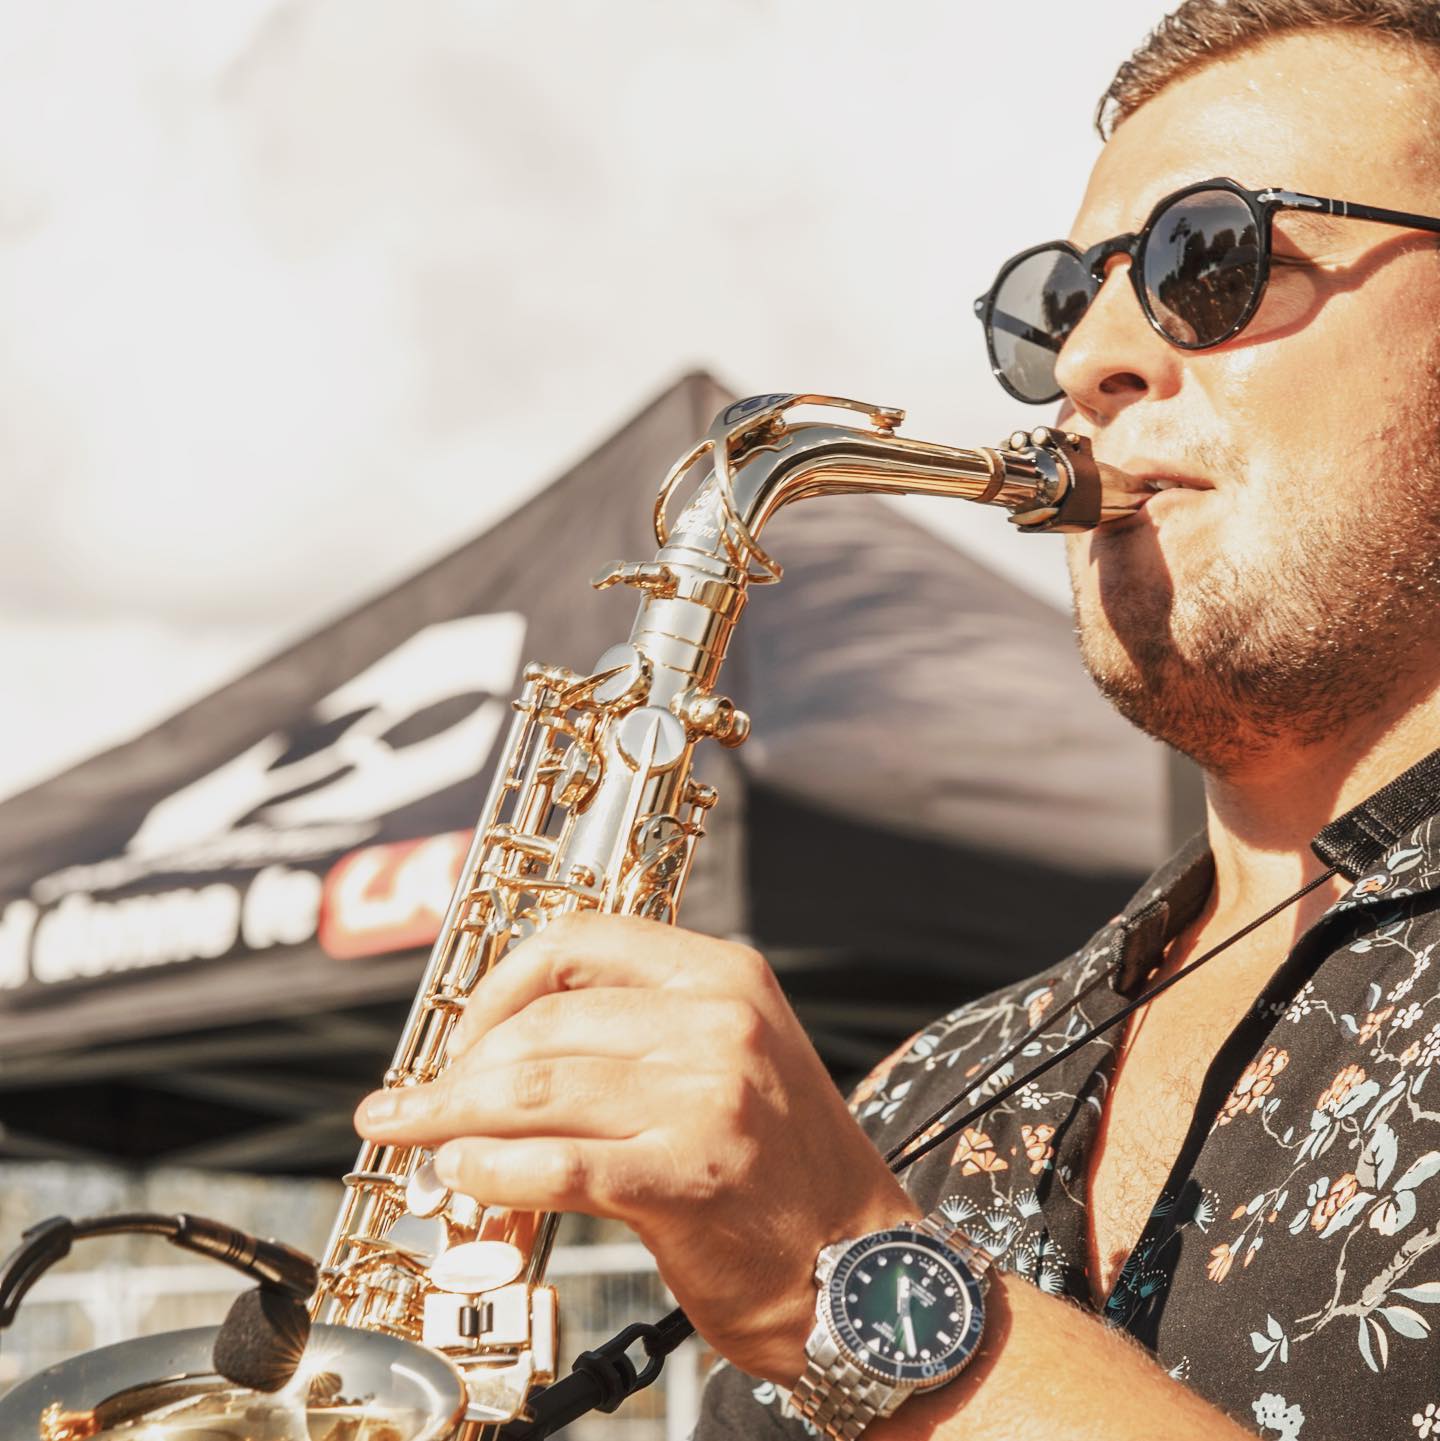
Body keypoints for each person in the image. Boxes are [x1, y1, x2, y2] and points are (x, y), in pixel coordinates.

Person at [356, 3, 1440, 1436]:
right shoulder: (934, 1089)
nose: (1088, 361)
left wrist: (854, 1291)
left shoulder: (841, 1189)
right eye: (1062, 298)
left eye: (1212, 254)